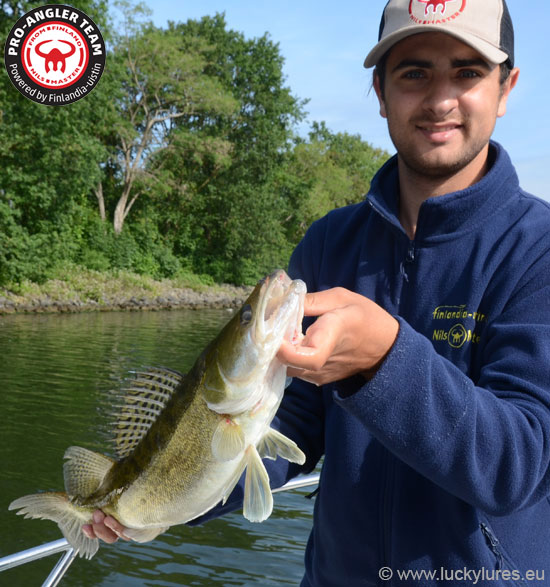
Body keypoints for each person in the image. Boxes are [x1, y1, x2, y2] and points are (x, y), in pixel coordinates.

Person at [85, 0, 550, 584]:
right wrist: (176, 497)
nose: (439, 99)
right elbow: (292, 423)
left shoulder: (538, 250)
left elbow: (519, 466)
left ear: (506, 89)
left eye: (468, 71)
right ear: (379, 91)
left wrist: (385, 360)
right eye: (414, 73)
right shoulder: (331, 242)